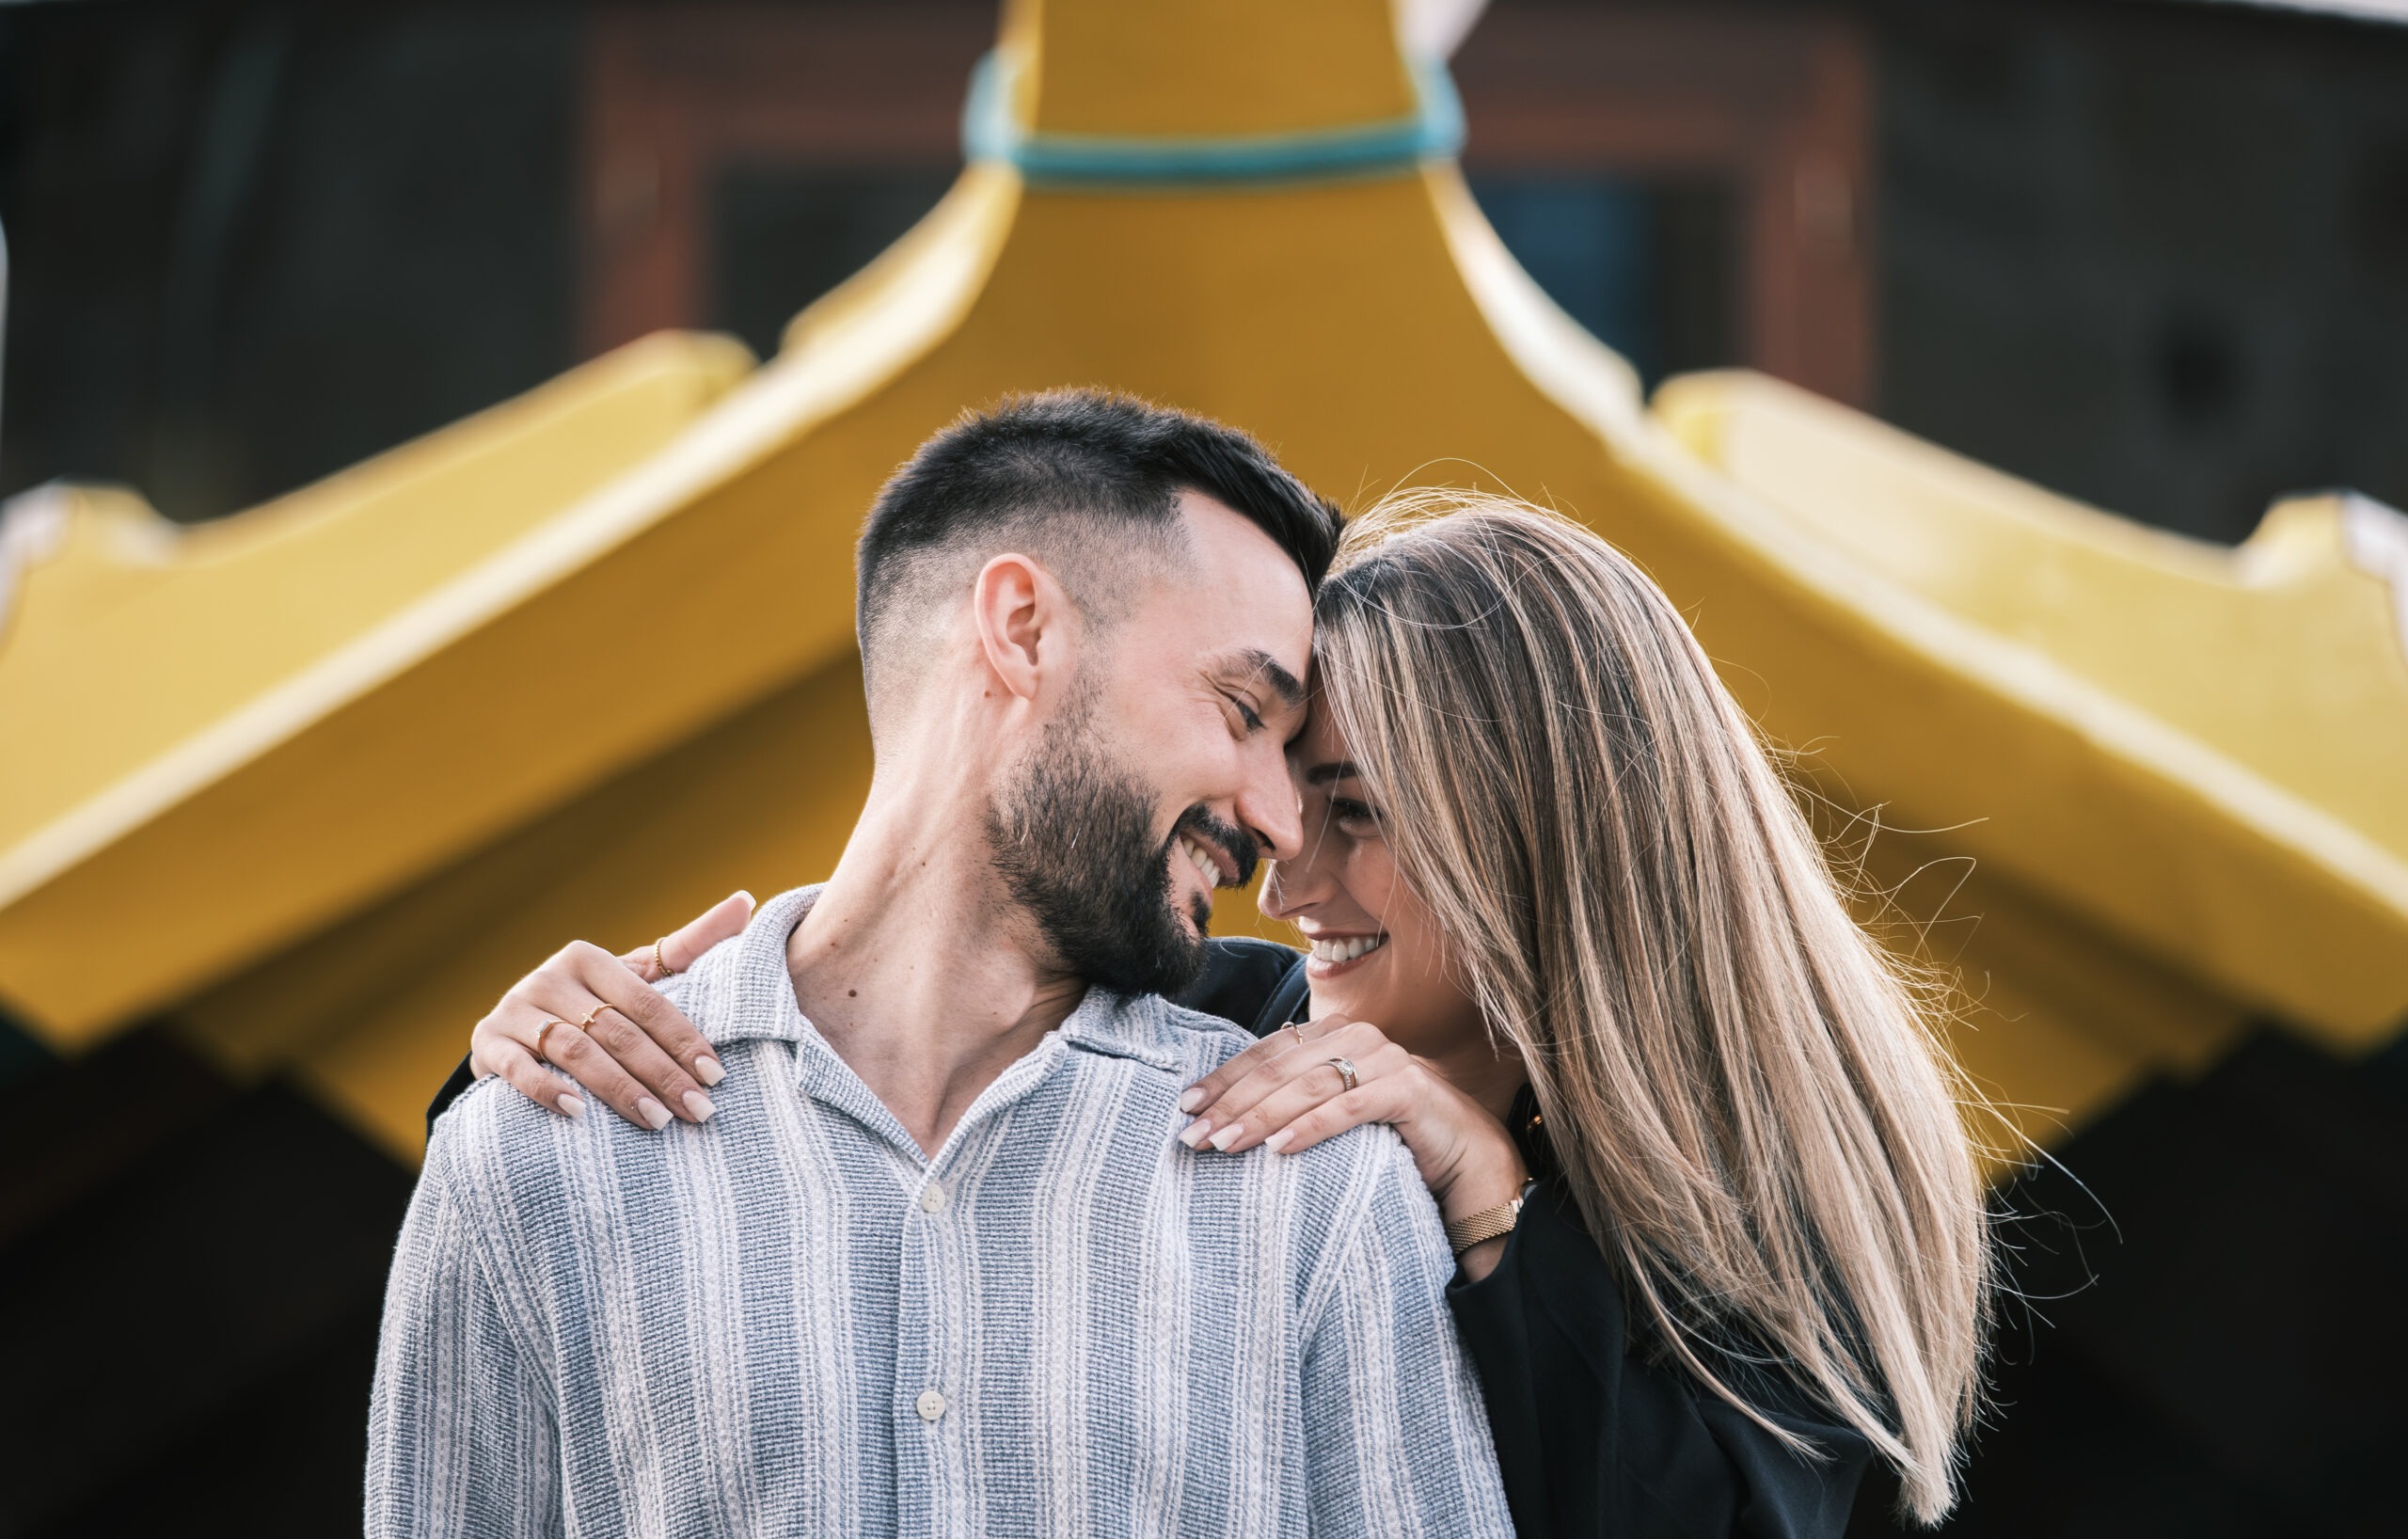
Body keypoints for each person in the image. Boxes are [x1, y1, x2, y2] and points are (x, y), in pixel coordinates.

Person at [455, 493, 1993, 1537]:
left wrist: (1490, 1202)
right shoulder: (1229, 1023)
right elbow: (889, 1011)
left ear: (1544, 833)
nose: (1283, 872)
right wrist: (553, 1049)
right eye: (1271, 800)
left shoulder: (1790, 1182)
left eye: (1354, 811)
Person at [370, 392, 1518, 1538]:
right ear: (1021, 628)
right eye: (1238, 710)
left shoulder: (1320, 1186)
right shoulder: (527, 1160)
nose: (1278, 821)